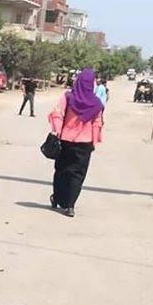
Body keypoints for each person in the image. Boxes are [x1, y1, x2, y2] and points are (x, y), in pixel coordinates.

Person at [47, 68, 104, 217]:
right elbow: (97, 123)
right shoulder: (96, 103)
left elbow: (58, 114)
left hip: (66, 141)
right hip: (85, 144)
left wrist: (56, 132)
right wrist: (94, 141)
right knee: (77, 175)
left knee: (61, 171)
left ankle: (57, 198)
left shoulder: (68, 97)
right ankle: (70, 206)